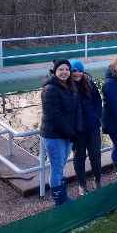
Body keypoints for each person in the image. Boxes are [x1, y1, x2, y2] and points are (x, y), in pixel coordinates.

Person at [40, 59, 79, 206]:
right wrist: (71, 133)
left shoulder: (69, 86)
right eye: (61, 69)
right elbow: (54, 115)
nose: (64, 72)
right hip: (54, 135)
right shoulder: (50, 89)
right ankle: (60, 200)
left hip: (66, 134)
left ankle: (62, 197)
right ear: (55, 72)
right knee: (57, 167)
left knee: (61, 165)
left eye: (67, 70)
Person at [69, 59, 102, 196]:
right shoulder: (66, 87)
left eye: (80, 71)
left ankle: (98, 180)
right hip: (77, 130)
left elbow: (98, 102)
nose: (77, 73)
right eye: (75, 71)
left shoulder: (89, 84)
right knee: (79, 157)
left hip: (92, 127)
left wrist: (96, 117)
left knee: (95, 155)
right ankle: (82, 184)